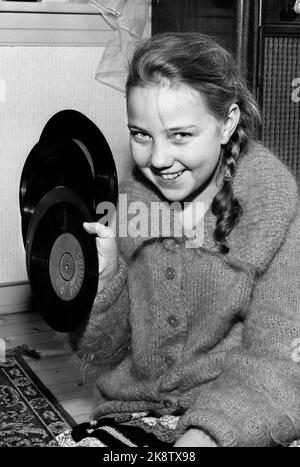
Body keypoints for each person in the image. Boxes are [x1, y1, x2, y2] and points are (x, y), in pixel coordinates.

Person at [61, 32, 300, 447]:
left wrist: (199, 440)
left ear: (227, 123)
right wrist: (105, 281)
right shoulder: (131, 205)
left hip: (241, 413)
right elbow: (100, 355)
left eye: (180, 135)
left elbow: (277, 359)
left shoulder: (274, 207)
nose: (157, 159)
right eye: (141, 134)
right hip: (138, 412)